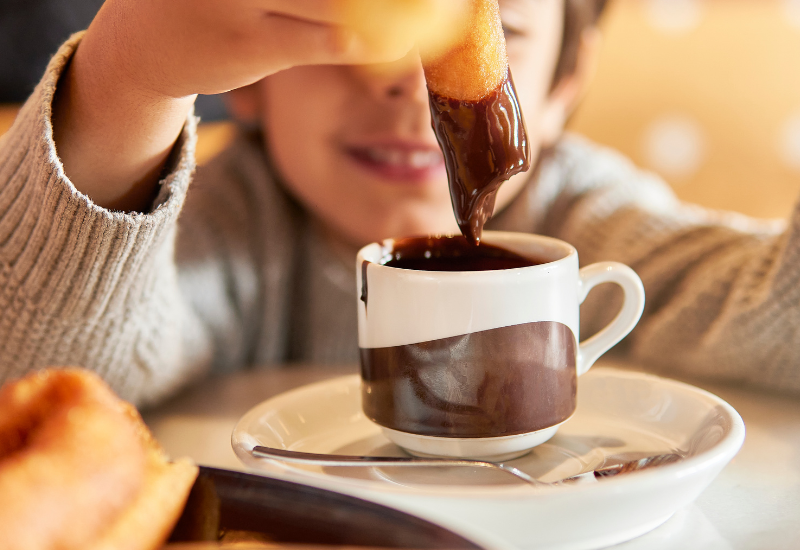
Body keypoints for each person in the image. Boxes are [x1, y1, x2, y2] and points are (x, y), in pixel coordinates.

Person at [0, 0, 797, 407]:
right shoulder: (235, 224)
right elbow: (49, 371)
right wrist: (129, 78)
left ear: (564, 83)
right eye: (341, 24)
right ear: (247, 79)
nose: (402, 77)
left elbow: (761, 316)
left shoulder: (583, 216)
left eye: (502, 25)